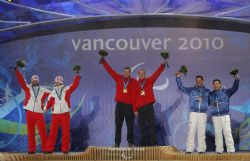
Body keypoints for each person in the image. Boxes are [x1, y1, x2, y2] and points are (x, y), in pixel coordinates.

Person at [100, 57, 136, 147]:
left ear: (130, 73)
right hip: (119, 105)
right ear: (123, 72)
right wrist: (104, 62)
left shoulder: (134, 81)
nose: (126, 73)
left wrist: (136, 107)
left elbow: (138, 93)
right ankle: (117, 143)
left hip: (129, 106)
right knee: (118, 125)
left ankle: (130, 143)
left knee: (130, 125)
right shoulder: (118, 78)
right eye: (125, 72)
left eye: (128, 72)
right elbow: (110, 71)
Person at [15, 67, 50, 154]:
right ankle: (31, 149)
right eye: (33, 80)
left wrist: (46, 107)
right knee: (31, 132)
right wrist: (17, 71)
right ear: (31, 81)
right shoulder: (27, 88)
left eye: (36, 80)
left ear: (38, 81)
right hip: (29, 112)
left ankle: (45, 149)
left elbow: (53, 96)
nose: (35, 81)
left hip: (39, 113)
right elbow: (21, 80)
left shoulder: (44, 90)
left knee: (42, 131)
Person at [45, 72, 81, 154]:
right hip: (55, 114)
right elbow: (48, 103)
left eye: (59, 81)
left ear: (62, 82)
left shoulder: (66, 89)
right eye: (56, 81)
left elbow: (74, 85)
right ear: (54, 82)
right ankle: (49, 148)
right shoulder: (52, 93)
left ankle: (65, 149)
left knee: (66, 132)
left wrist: (77, 77)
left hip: (65, 113)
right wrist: (44, 109)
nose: (57, 83)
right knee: (53, 132)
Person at [176, 73, 210, 154]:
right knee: (191, 131)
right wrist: (178, 77)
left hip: (202, 113)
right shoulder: (191, 90)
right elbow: (181, 87)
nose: (198, 81)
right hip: (193, 113)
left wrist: (204, 103)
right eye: (197, 80)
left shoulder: (207, 91)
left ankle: (201, 149)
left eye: (200, 80)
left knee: (201, 132)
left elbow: (211, 101)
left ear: (202, 81)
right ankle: (189, 149)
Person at [133, 62, 166, 146]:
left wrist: (162, 66)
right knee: (142, 127)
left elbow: (156, 74)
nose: (141, 75)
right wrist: (135, 109)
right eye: (140, 74)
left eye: (143, 73)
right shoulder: (135, 84)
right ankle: (143, 145)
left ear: (145, 74)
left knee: (152, 126)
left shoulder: (149, 81)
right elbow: (133, 98)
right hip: (140, 108)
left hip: (149, 107)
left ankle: (154, 144)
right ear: (138, 75)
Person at [209, 74, 239, 154]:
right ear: (213, 85)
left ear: (220, 84)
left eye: (217, 83)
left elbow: (234, 88)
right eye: (214, 84)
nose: (216, 85)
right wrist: (211, 104)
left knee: (227, 133)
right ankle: (219, 150)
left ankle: (231, 150)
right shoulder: (211, 95)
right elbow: (208, 103)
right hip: (215, 117)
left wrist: (236, 79)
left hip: (225, 116)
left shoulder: (226, 92)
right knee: (218, 134)